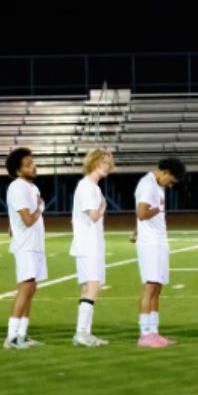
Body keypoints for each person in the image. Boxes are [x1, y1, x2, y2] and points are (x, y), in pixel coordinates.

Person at [133, 158, 186, 348]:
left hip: (157, 240)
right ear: (165, 172)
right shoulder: (148, 185)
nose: (170, 185)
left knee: (157, 288)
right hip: (151, 243)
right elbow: (142, 213)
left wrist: (137, 230)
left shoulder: (155, 185)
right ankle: (144, 334)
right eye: (170, 181)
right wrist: (157, 209)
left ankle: (153, 332)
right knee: (150, 287)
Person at [70, 148, 114, 347]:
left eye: (108, 162)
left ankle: (84, 332)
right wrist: (104, 206)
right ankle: (81, 333)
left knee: (89, 287)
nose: (107, 166)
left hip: (89, 244)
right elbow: (94, 215)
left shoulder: (92, 187)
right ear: (94, 162)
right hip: (88, 245)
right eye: (104, 162)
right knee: (93, 287)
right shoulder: (87, 186)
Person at [4, 148, 46, 349]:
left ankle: (22, 334)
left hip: (34, 245)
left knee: (31, 289)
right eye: (28, 164)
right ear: (19, 170)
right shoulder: (17, 187)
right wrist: (39, 208)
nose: (33, 166)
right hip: (26, 246)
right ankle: (11, 336)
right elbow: (28, 219)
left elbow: (15, 223)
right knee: (25, 287)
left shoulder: (32, 188)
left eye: (33, 162)